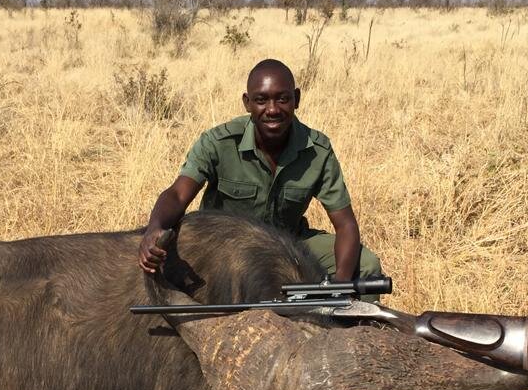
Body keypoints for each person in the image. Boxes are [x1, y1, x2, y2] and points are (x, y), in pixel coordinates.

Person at [138, 59, 382, 286]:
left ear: (296, 98)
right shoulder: (218, 142)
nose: (273, 109)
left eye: (283, 99)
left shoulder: (317, 149)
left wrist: (339, 288)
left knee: (366, 266)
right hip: (223, 245)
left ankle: (349, 329)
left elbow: (346, 225)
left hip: (290, 244)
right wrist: (154, 228)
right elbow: (178, 194)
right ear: (247, 103)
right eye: (261, 100)